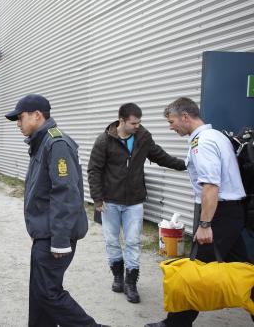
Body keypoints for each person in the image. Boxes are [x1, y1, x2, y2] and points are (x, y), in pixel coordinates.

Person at [5, 94, 109, 327]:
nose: (18, 124)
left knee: (48, 293)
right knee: (39, 291)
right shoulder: (41, 142)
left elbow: (66, 193)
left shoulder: (56, 143)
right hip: (44, 231)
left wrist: (60, 240)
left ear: (37, 115)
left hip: (55, 234)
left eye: (20, 118)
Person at [145, 97, 249, 327]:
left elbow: (211, 186)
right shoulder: (216, 136)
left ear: (185, 116)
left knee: (196, 269)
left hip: (219, 213)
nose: (170, 127)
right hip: (228, 213)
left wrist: (204, 225)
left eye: (171, 121)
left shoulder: (202, 142)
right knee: (244, 268)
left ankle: (175, 323)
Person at [87, 103, 186, 303]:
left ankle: (131, 283)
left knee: (133, 241)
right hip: (110, 202)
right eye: (133, 123)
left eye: (139, 122)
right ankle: (117, 278)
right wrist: (97, 198)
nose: (137, 126)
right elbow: (94, 170)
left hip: (134, 201)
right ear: (121, 121)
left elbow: (160, 156)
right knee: (112, 241)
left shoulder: (143, 137)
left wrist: (186, 164)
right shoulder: (104, 140)